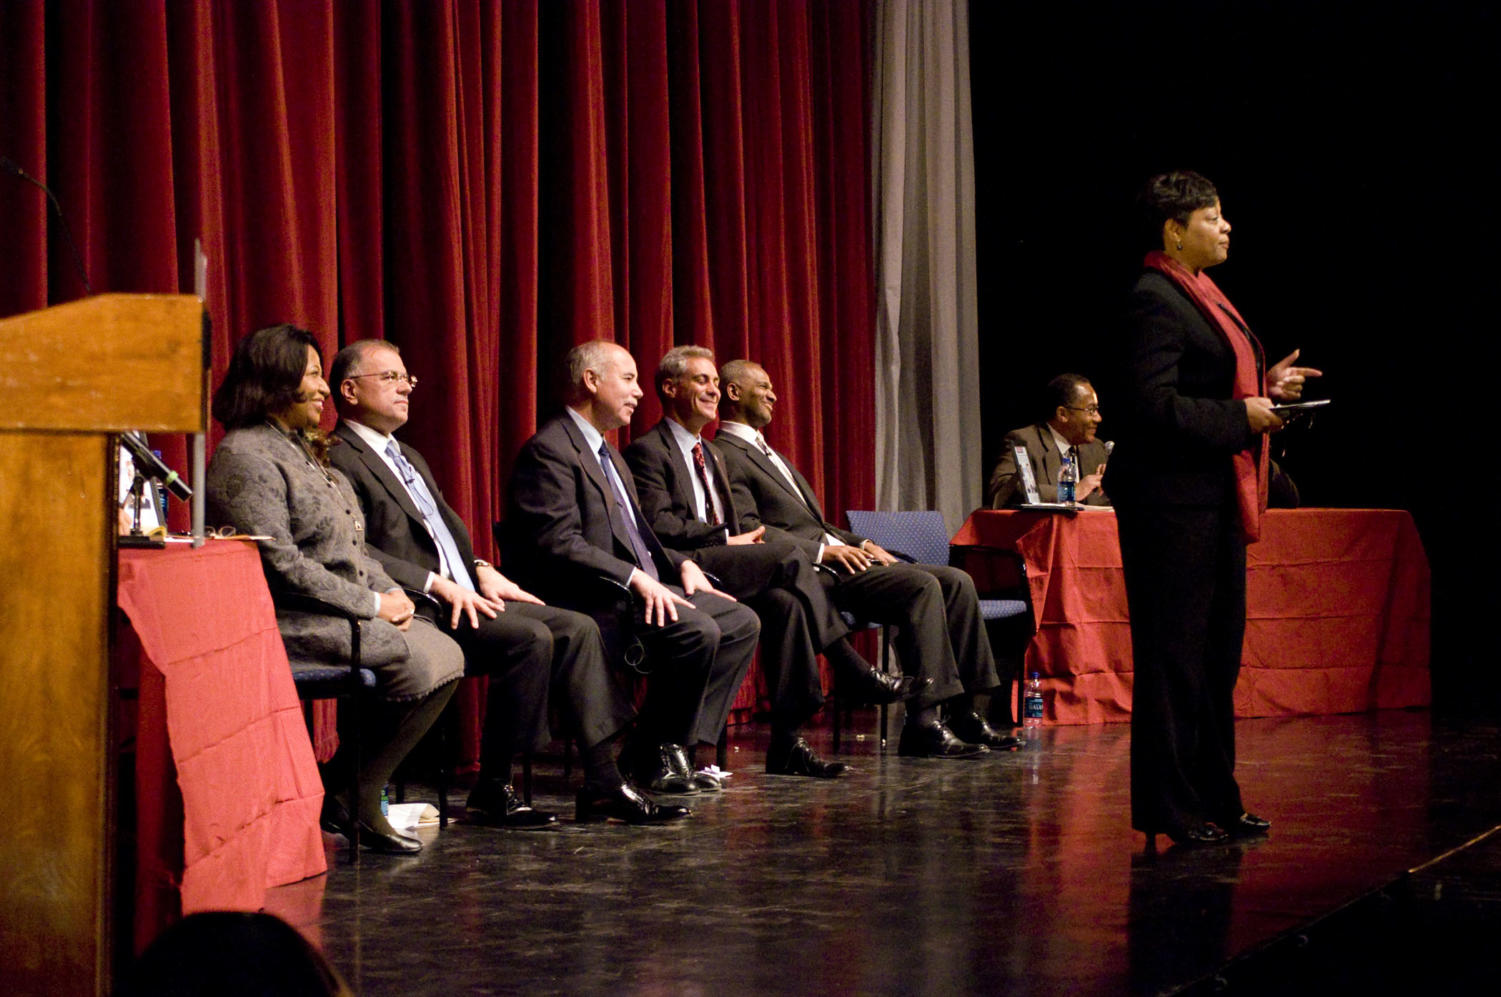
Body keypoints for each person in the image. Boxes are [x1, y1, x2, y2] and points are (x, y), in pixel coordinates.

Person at [328, 339, 635, 829]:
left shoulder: (407, 455)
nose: (405, 387)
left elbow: (439, 534)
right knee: (530, 638)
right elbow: (355, 548)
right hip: (416, 606)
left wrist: (479, 568)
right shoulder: (338, 458)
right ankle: (495, 784)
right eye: (389, 378)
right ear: (348, 390)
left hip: (463, 593)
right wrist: (437, 583)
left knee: (575, 628)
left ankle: (602, 778)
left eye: (407, 377)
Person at [1104, 170, 1321, 847]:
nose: (1225, 227)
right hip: (1171, 508)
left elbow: (1206, 380)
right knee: (1174, 661)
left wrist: (1265, 386)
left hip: (1212, 505)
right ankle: (1170, 808)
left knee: (1215, 661)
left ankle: (1214, 797)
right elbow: (1149, 406)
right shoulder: (1153, 300)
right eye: (1212, 217)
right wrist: (1240, 414)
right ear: (1173, 229)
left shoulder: (1197, 294)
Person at [206, 324, 462, 854]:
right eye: (314, 375)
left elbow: (353, 548)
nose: (324, 389)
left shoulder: (300, 448)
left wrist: (396, 598)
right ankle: (354, 792)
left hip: (337, 610)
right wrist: (371, 605)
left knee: (441, 647)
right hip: (289, 618)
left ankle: (347, 788)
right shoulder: (248, 455)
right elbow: (278, 561)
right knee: (414, 654)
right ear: (277, 381)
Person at [624, 347, 925, 779]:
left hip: (728, 561)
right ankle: (851, 666)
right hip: (684, 563)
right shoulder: (647, 452)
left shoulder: (711, 454)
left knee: (788, 604)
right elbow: (658, 526)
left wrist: (735, 540)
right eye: (701, 381)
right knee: (786, 553)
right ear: (670, 389)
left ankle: (787, 742)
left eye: (714, 382)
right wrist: (726, 539)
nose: (712, 390)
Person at [502, 340, 760, 817]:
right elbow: (558, 542)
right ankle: (650, 753)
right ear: (591, 382)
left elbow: (638, 533)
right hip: (588, 597)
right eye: (628, 379)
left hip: (634, 588)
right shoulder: (551, 449)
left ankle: (662, 748)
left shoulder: (609, 453)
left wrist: (677, 564)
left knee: (741, 620)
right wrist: (635, 579)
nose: (639, 393)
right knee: (697, 630)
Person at [716, 359, 1020, 757]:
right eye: (764, 386)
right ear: (734, 393)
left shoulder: (768, 452)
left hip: (844, 560)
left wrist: (861, 543)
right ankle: (924, 723)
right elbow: (755, 530)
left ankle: (964, 711)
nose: (774, 394)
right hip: (814, 573)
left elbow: (814, 522)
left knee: (956, 581)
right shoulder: (725, 453)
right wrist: (826, 551)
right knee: (922, 584)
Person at [987, 373, 1111, 508]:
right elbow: (1000, 492)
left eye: (1096, 410)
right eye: (1091, 410)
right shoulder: (1024, 441)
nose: (1098, 418)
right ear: (1062, 414)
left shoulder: (1096, 448)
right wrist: (1068, 493)